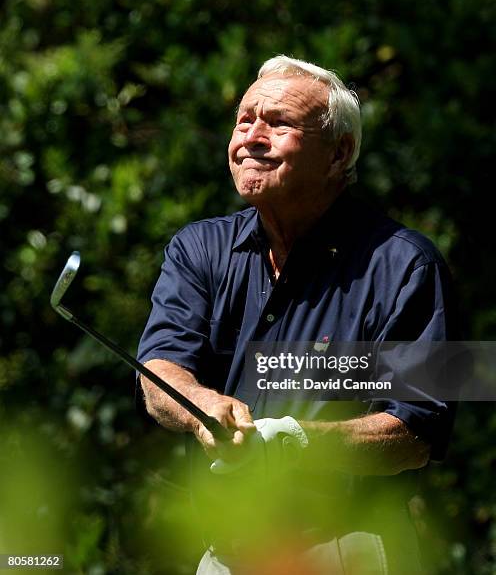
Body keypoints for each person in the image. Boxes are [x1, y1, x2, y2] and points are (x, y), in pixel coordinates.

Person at [137, 56, 458, 574]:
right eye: (244, 120)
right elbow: (159, 371)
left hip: (345, 547)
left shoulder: (407, 264)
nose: (252, 137)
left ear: (339, 154)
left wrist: (294, 442)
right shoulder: (197, 248)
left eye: (278, 123)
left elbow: (417, 432)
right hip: (225, 552)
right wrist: (201, 404)